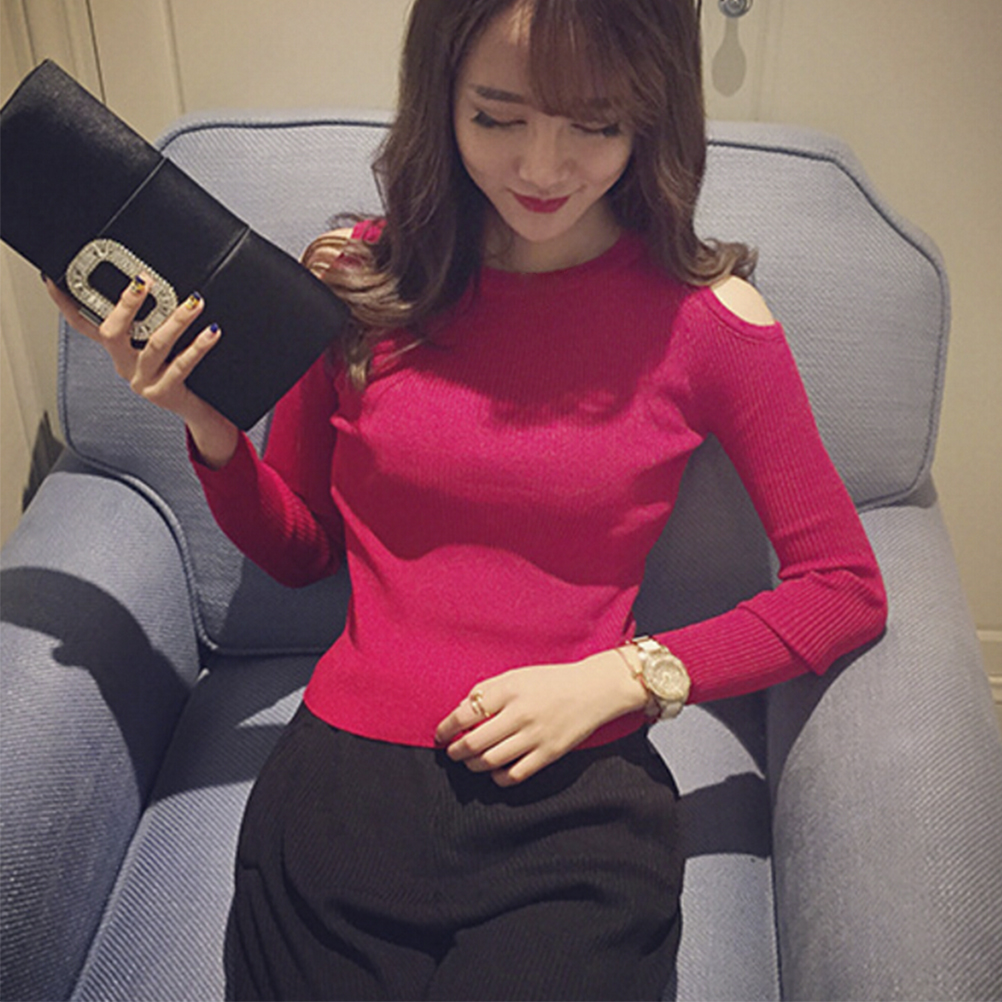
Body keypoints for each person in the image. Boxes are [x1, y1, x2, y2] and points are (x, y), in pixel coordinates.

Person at [47, 0, 888, 998]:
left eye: (595, 124)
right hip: (344, 788)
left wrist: (627, 677)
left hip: (577, 793)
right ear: (440, 97)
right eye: (497, 116)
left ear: (653, 113)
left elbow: (843, 587)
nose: (542, 167)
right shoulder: (358, 280)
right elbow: (302, 551)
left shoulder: (707, 322)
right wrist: (210, 426)